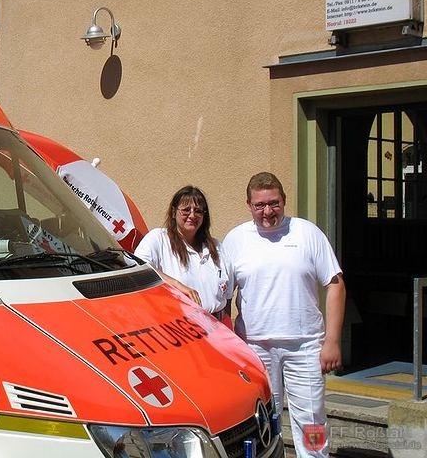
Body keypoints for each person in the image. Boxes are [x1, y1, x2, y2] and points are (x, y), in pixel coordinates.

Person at [223, 172, 345, 458]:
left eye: (274, 203)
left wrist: (332, 341)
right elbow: (224, 298)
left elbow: (336, 285)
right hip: (255, 348)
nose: (268, 211)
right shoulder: (235, 240)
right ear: (249, 205)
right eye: (260, 205)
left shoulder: (307, 233)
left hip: (305, 346)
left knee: (313, 422)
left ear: (284, 201)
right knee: (263, 421)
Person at [133, 185, 230, 327]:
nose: (192, 215)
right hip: (182, 330)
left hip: (218, 327)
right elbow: (138, 266)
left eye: (198, 211)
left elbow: (227, 296)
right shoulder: (159, 238)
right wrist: (177, 285)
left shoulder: (217, 247)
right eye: (186, 210)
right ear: (173, 212)